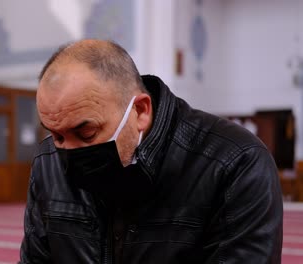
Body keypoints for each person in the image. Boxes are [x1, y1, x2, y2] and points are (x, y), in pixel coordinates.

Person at [19, 39, 283, 263]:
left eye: (86, 133)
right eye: (56, 135)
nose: (67, 153)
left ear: (140, 111)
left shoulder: (236, 164)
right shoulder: (48, 161)